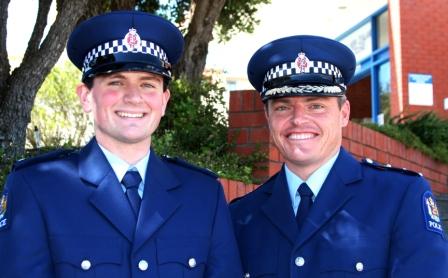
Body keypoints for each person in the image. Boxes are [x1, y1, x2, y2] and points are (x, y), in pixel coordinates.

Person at [0, 11, 242, 277]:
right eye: (116, 82)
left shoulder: (204, 195)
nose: (133, 97)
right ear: (86, 97)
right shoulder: (37, 188)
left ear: (164, 101)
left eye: (148, 84)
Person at [230, 35, 448, 277]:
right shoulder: (241, 216)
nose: (298, 119)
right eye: (283, 107)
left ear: (344, 113)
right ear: (268, 117)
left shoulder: (399, 196)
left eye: (316, 106)